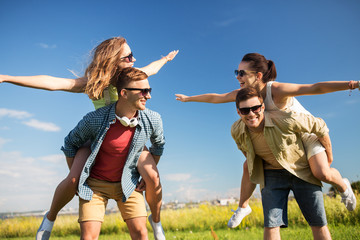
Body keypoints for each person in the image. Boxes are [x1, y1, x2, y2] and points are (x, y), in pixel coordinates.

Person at [0, 36, 178, 240]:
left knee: (153, 176)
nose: (133, 59)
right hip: (96, 136)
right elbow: (54, 83)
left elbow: (153, 69)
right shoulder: (96, 83)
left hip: (130, 137)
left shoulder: (133, 79)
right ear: (113, 60)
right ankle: (49, 219)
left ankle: (156, 223)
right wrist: (6, 77)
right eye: (128, 57)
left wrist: (165, 59)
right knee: (73, 179)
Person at [175, 53, 358, 228]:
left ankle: (343, 186)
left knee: (322, 173)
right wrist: (189, 98)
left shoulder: (276, 90)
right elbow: (218, 98)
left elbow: (314, 88)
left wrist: (352, 84)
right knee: (249, 164)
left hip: (305, 132)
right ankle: (243, 206)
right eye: (236, 72)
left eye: (242, 73)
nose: (237, 76)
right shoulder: (244, 94)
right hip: (283, 137)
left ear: (258, 75)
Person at [59, 67, 165, 240]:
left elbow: (158, 146)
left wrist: (146, 175)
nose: (148, 96)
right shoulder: (95, 119)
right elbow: (70, 143)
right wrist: (77, 175)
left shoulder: (152, 119)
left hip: (128, 185)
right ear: (124, 93)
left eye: (149, 90)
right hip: (95, 186)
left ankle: (157, 222)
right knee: (89, 237)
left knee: (141, 233)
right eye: (143, 91)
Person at [232, 86, 333, 239]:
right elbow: (245, 151)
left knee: (317, 222)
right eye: (245, 110)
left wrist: (329, 156)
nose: (251, 113)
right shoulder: (236, 130)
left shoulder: (284, 118)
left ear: (263, 107)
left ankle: (342, 185)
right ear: (239, 112)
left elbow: (319, 127)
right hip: (271, 175)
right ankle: (243, 207)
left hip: (301, 169)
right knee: (271, 224)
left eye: (255, 108)